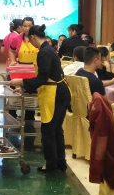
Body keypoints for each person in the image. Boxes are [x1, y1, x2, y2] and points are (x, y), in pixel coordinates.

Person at [10, 24, 71, 173]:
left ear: (32, 37)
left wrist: (22, 82)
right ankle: (60, 163)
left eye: (29, 39)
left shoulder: (44, 52)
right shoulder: (48, 49)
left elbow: (42, 77)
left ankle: (51, 164)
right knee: (56, 129)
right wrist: (25, 88)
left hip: (55, 93)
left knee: (49, 129)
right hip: (59, 92)